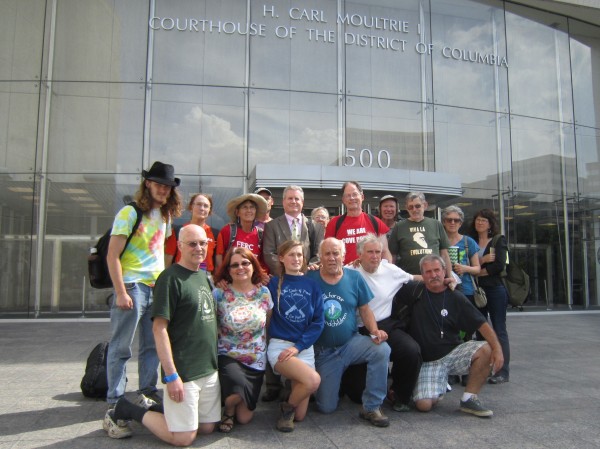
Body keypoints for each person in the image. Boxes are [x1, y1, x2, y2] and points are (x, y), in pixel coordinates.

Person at [105, 225, 220, 445]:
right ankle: (128, 409)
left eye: (203, 243)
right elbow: (159, 329)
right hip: (184, 371)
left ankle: (165, 408)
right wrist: (171, 376)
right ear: (179, 246)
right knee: (184, 438)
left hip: (208, 369)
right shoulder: (169, 279)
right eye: (192, 243)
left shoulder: (203, 277)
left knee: (206, 428)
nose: (199, 248)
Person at [103, 161, 182, 436]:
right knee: (121, 346)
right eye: (159, 184)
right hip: (132, 285)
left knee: (152, 346)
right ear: (147, 183)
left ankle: (147, 391)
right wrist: (121, 291)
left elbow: (162, 253)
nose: (163, 190)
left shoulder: (165, 217)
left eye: (167, 186)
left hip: (156, 286)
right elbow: (112, 255)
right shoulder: (129, 212)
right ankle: (115, 401)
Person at [396, 254, 504, 417]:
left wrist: (498, 349)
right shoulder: (414, 290)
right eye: (428, 272)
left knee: (486, 349)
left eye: (437, 270)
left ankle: (469, 398)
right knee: (424, 405)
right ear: (422, 275)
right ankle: (440, 385)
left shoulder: (456, 296)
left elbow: (481, 324)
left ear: (444, 270)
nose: (433, 275)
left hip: (453, 354)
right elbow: (386, 282)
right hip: (428, 361)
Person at [306, 238, 391, 428]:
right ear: (319, 257)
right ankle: (326, 386)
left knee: (382, 349)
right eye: (327, 253)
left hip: (350, 344)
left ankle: (372, 406)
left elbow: (365, 309)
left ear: (343, 256)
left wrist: (374, 330)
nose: (331, 258)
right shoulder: (309, 278)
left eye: (336, 253)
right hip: (323, 352)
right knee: (326, 408)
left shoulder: (354, 277)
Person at [347, 234, 422, 413]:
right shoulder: (349, 271)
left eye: (378, 252)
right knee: (357, 395)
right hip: (359, 330)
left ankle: (399, 394)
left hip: (386, 324)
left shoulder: (391, 270)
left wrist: (446, 279)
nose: (375, 256)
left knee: (411, 350)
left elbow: (415, 278)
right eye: (370, 252)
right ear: (359, 254)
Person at [212, 248, 273, 433]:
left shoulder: (264, 293)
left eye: (245, 263)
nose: (241, 267)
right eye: (235, 264)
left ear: (253, 266)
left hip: (256, 360)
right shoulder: (219, 294)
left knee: (245, 419)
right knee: (234, 396)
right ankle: (228, 408)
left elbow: (266, 326)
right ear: (228, 270)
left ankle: (234, 400)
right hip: (228, 355)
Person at [266, 240, 324, 432]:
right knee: (313, 380)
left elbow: (318, 322)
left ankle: (288, 404)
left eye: (299, 254)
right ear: (281, 258)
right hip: (280, 346)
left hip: (303, 348)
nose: (296, 258)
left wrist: (298, 347)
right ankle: (286, 408)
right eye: (291, 254)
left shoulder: (312, 285)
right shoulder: (273, 284)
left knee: (300, 416)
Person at [471, 208, 511, 384]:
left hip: (495, 290)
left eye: (484, 220)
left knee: (499, 329)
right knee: (481, 330)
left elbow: (499, 266)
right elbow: (466, 264)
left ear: (490, 224)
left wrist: (475, 272)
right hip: (478, 291)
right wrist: (483, 260)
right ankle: (484, 368)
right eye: (478, 220)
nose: (480, 223)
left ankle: (502, 371)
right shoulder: (470, 242)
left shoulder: (497, 240)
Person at [388, 192, 453, 280]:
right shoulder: (399, 227)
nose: (414, 209)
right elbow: (392, 256)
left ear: (425, 205)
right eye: (411, 207)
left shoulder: (436, 224)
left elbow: (444, 254)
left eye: (418, 206)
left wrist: (450, 276)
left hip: (435, 278)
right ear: (407, 208)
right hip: (409, 279)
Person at [325, 181, 392, 265]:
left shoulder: (376, 222)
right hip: (344, 274)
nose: (352, 198)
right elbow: (327, 252)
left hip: (369, 275)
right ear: (343, 200)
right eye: (348, 195)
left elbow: (385, 252)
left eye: (355, 194)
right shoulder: (334, 223)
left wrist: (387, 272)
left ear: (362, 197)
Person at [263, 185, 323, 275]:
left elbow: (318, 253)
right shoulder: (271, 226)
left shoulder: (315, 227)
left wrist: (306, 270)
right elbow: (269, 254)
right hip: (282, 278)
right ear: (283, 202)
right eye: (290, 198)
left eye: (297, 199)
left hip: (306, 277)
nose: (293, 201)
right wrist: (287, 271)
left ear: (302, 202)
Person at [215, 193, 269, 272]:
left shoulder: (261, 234)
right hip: (230, 280)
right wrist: (221, 277)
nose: (249, 210)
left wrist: (262, 276)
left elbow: (264, 261)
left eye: (252, 207)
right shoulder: (227, 231)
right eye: (245, 207)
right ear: (237, 212)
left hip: (253, 281)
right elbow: (219, 256)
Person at [164, 193, 216, 274]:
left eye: (206, 206)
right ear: (191, 207)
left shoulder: (215, 234)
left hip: (206, 277)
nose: (202, 208)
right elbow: (168, 257)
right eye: (198, 204)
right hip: (181, 274)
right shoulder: (178, 231)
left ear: (209, 210)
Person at [441, 205, 481, 306]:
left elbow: (477, 269)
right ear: (444, 222)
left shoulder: (469, 242)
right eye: (449, 220)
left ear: (461, 223)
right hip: (443, 288)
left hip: (466, 290)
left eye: (456, 220)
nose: (452, 223)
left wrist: (465, 268)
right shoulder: (438, 241)